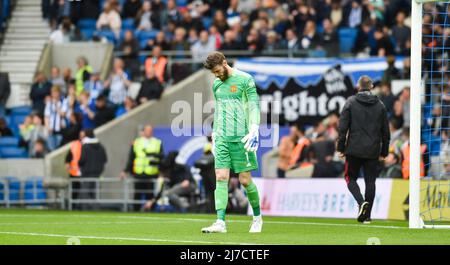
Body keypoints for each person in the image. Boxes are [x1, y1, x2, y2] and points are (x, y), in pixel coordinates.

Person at [201, 51, 262, 233]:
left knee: (244, 180)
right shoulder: (217, 84)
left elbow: (253, 105)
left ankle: (257, 218)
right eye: (214, 73)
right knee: (221, 177)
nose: (217, 75)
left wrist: (254, 127)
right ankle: (220, 222)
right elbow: (219, 110)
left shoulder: (245, 80)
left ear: (225, 62)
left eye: (218, 70)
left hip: (241, 138)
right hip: (222, 138)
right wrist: (215, 134)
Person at [337, 76, 390, 224]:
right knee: (370, 182)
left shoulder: (350, 102)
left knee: (350, 178)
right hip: (372, 150)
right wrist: (384, 151)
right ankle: (367, 216)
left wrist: (341, 147)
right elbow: (385, 131)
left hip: (353, 149)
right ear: (371, 86)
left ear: (358, 87)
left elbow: (342, 128)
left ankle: (361, 203)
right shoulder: (380, 105)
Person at [121, 124, 164, 211]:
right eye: (147, 130)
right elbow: (131, 157)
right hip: (139, 172)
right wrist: (125, 171)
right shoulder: (137, 142)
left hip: (151, 172)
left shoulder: (157, 142)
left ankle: (151, 211)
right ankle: (135, 211)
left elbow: (161, 156)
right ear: (143, 131)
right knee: (137, 194)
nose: (149, 132)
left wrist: (160, 171)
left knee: (150, 195)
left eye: (150, 130)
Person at [78, 129, 108, 210]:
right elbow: (105, 159)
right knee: (94, 193)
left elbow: (82, 160)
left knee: (85, 193)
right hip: (97, 174)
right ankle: (96, 209)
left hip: (87, 173)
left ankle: (86, 209)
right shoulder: (100, 146)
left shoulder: (85, 146)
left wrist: (80, 166)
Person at [65, 137, 82, 210]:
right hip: (74, 172)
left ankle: (79, 205)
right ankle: (73, 205)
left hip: (82, 172)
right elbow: (68, 157)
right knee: (74, 190)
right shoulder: (74, 145)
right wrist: (67, 164)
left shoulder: (86, 146)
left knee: (81, 190)